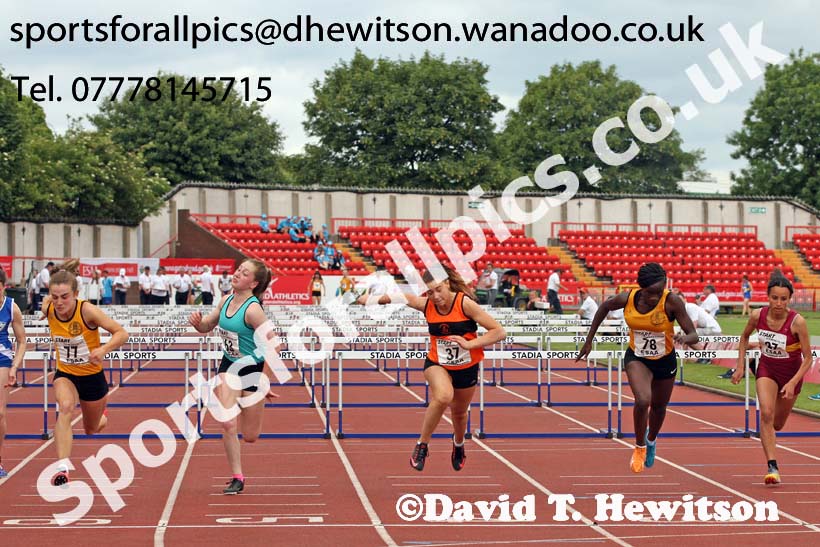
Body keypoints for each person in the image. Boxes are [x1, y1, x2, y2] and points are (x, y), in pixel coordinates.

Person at [358, 265, 506, 472]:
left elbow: (499, 331)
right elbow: (397, 297)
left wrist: (470, 344)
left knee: (460, 414)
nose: (435, 296)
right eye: (429, 292)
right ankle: (422, 445)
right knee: (443, 396)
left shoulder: (465, 304)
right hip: (437, 363)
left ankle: (458, 445)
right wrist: (366, 299)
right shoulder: (426, 305)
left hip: (466, 366)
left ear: (447, 284)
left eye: (438, 289)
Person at [577, 263, 698, 474]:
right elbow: (604, 308)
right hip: (637, 357)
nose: (655, 297)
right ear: (641, 288)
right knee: (643, 400)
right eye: (651, 293)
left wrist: (684, 337)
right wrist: (589, 340)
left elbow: (694, 334)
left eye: (659, 292)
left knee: (659, 407)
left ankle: (651, 441)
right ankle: (639, 446)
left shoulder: (671, 301)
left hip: (665, 360)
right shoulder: (628, 298)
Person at [189, 259, 278, 494]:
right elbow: (209, 324)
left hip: (252, 370)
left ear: (254, 283)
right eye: (239, 269)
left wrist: (264, 380)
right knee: (227, 422)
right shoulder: (225, 299)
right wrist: (199, 324)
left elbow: (275, 346)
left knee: (250, 435)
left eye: (244, 273)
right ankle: (237, 476)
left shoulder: (253, 309)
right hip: (229, 367)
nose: (237, 274)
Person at [45, 269, 129, 486]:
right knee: (65, 407)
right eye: (55, 297)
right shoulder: (49, 307)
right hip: (66, 373)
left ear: (75, 294)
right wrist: (47, 306)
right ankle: (63, 467)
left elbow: (121, 333)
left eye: (64, 297)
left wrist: (103, 350)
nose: (59, 302)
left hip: (92, 377)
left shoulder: (88, 311)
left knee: (91, 429)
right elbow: (46, 305)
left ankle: (102, 415)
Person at [731, 276, 812, 485]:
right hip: (767, 368)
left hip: (791, 374)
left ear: (789, 299)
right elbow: (744, 338)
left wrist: (793, 382)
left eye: (783, 299)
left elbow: (808, 358)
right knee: (766, 413)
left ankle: (783, 398)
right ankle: (772, 467)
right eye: (774, 298)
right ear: (767, 297)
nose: (778, 303)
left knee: (777, 423)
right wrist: (740, 365)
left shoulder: (798, 322)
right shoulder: (757, 315)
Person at [0, 268, 27, 478]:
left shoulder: (11, 307)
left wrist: (15, 367)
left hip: (3, 360)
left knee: (0, 413)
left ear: (3, 286)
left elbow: (22, 340)